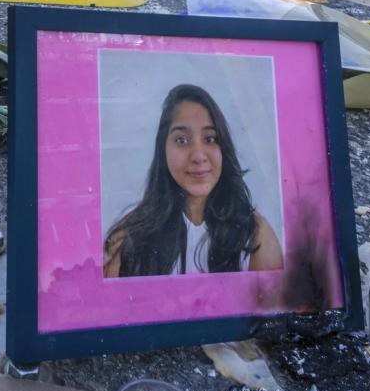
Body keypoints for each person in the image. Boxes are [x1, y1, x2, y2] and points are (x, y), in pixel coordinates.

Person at [104, 83, 283, 278]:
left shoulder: (257, 237)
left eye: (210, 139)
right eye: (181, 140)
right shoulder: (127, 239)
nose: (198, 156)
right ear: (163, 150)